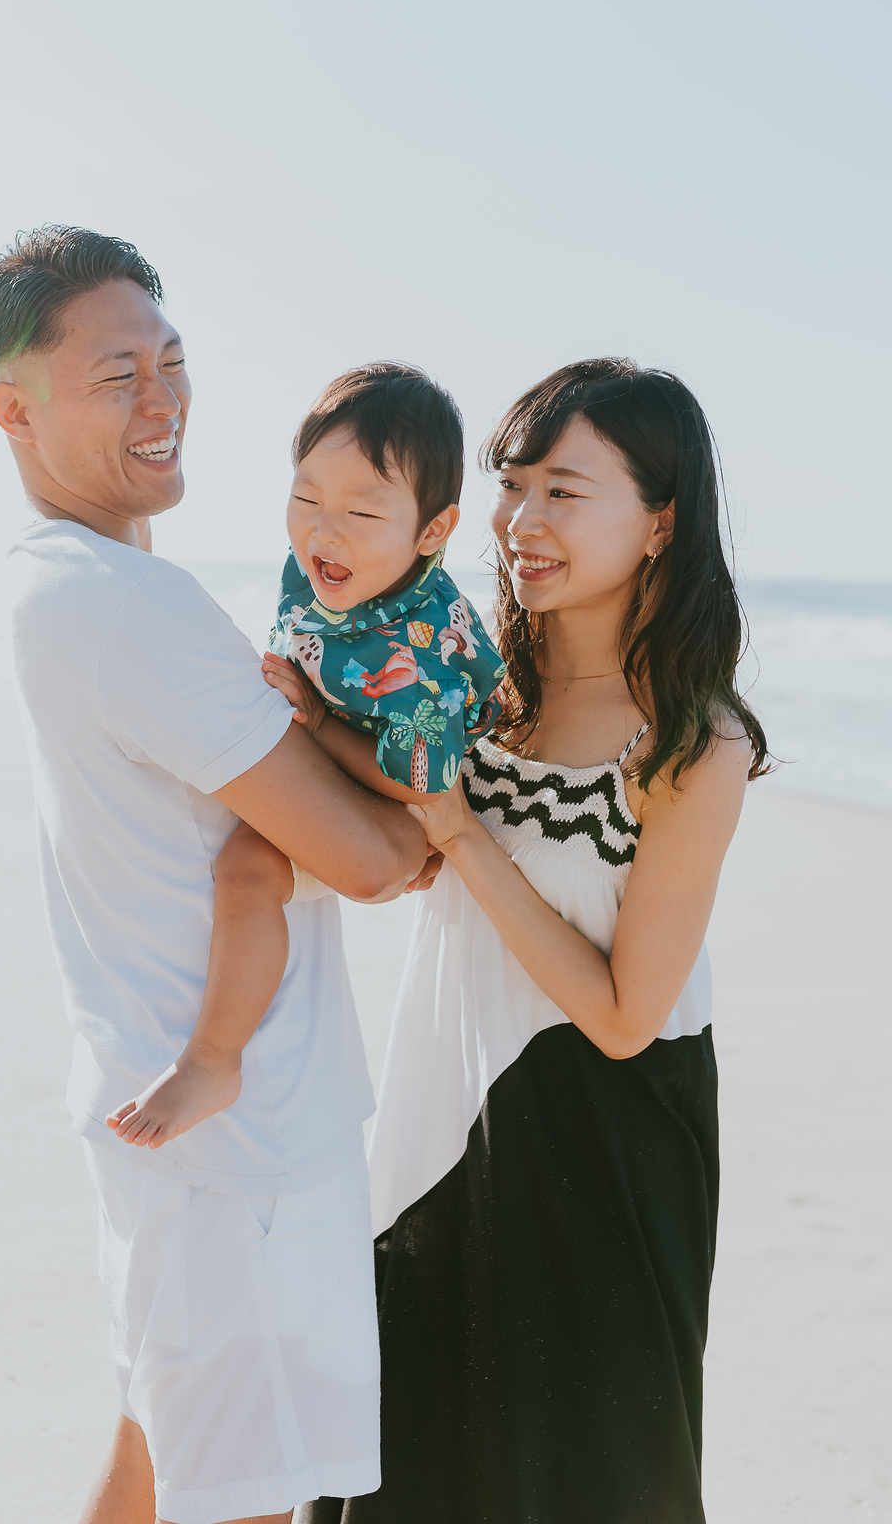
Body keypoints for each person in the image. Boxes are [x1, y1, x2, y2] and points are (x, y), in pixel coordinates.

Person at [0, 226, 432, 1524]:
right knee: (240, 1500)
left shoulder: (53, 586)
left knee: (155, 1462)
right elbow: (372, 861)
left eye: (173, 362)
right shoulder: (131, 607)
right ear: (15, 407)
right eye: (118, 376)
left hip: (165, 1117)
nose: (165, 400)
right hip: (243, 1157)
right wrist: (417, 825)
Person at [298, 359, 769, 1524]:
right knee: (400, 1466)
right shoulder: (472, 686)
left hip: (604, 1156)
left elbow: (622, 1016)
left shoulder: (692, 746)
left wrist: (462, 835)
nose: (524, 521)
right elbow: (397, 859)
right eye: (514, 486)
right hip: (436, 1120)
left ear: (660, 522)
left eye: (567, 489)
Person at [106, 364, 505, 1151]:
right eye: (307, 498)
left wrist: (316, 725)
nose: (326, 531)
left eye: (362, 510)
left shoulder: (415, 649)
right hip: (358, 743)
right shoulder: (337, 566)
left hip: (418, 781)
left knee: (246, 868)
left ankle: (213, 1061)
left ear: (433, 531)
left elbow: (415, 778)